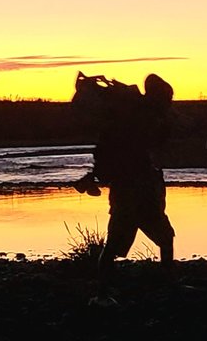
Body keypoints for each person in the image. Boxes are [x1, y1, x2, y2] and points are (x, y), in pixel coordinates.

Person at [75, 72, 177, 268]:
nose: (169, 103)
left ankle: (105, 289)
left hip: (133, 190)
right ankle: (105, 290)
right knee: (157, 239)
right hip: (132, 190)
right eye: (167, 98)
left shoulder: (138, 114)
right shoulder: (140, 118)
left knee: (160, 238)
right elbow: (150, 142)